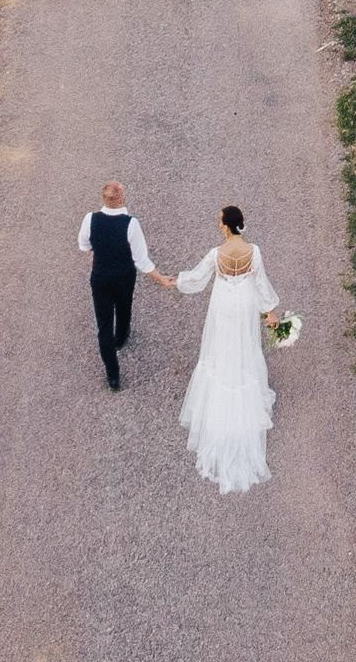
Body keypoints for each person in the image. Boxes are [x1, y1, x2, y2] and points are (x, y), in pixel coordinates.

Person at [173, 205, 283, 494]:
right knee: (245, 343)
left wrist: (176, 280)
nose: (219, 224)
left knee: (221, 342)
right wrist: (270, 313)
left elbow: (197, 279)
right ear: (241, 225)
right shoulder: (254, 252)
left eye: (220, 221)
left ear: (225, 226)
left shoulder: (216, 254)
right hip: (244, 301)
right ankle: (243, 384)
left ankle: (222, 387)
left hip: (223, 303)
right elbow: (260, 283)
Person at [78, 180, 172, 390]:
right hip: (124, 275)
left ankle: (113, 376)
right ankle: (120, 337)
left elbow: (83, 245)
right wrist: (161, 279)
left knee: (103, 324)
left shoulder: (89, 219)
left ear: (104, 198)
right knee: (123, 306)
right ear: (121, 199)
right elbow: (141, 260)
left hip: (100, 276)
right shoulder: (130, 224)